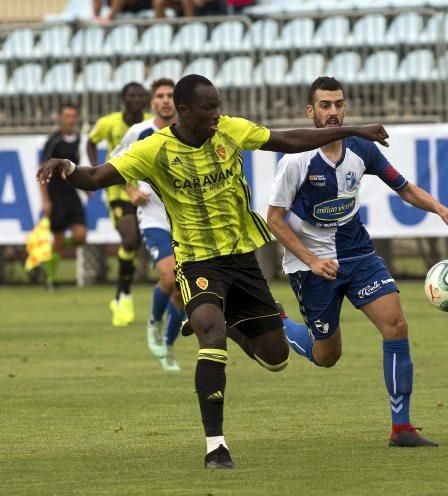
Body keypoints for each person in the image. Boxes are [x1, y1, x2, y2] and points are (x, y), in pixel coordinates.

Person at [38, 74, 393, 469]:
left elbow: (289, 140)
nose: (216, 114)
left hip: (242, 257)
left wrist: (356, 130)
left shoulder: (229, 131)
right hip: (196, 259)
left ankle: (228, 322)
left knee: (276, 358)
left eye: (218, 105)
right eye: (208, 108)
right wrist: (68, 167)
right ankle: (216, 446)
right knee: (211, 333)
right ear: (183, 110)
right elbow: (97, 177)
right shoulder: (153, 149)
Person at [267, 77, 448, 448]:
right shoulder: (295, 161)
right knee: (326, 356)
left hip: (359, 254)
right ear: (311, 112)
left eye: (339, 104)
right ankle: (279, 323)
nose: (333, 112)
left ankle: (402, 428)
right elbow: (274, 219)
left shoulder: (361, 148)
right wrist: (311, 260)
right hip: (312, 267)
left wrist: (440, 208)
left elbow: (404, 187)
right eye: (325, 106)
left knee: (396, 326)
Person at [112, 78, 184, 371]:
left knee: (182, 290)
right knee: (169, 276)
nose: (166, 100)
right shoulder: (139, 132)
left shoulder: (190, 130)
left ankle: (167, 346)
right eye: (161, 96)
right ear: (153, 102)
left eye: (170, 95)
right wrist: (131, 191)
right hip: (154, 216)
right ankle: (154, 322)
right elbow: (115, 163)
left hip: (186, 219)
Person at [87, 82, 151, 327]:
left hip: (147, 192)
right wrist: (95, 170)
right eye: (131, 96)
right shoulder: (109, 123)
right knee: (129, 240)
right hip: (118, 191)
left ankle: (123, 293)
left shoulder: (150, 123)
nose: (136, 99)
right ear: (123, 99)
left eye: (140, 96)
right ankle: (123, 292)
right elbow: (91, 141)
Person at [38, 103, 87, 289]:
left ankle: (50, 252)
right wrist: (45, 199)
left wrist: (86, 187)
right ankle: (51, 279)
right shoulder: (54, 141)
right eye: (66, 115)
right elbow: (42, 169)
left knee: (80, 236)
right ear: (60, 117)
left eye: (73, 115)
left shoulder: (79, 140)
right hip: (56, 193)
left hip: (72, 192)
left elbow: (79, 166)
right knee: (58, 237)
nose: (70, 119)